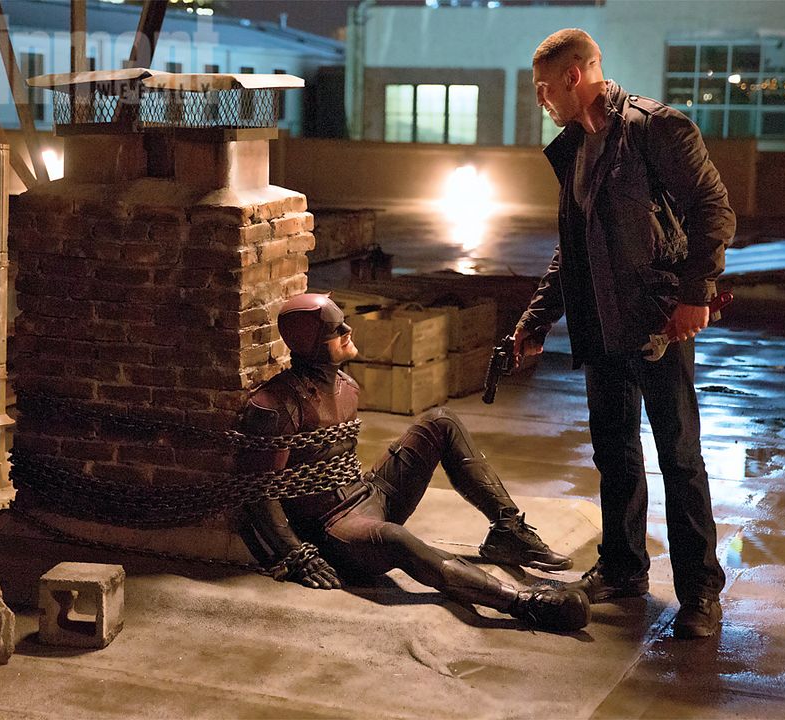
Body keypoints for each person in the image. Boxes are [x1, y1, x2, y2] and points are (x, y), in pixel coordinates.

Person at [515, 29, 735, 638]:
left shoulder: (655, 129)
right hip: (600, 324)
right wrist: (536, 319)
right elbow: (573, 249)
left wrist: (695, 296)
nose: (540, 100)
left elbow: (714, 209)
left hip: (657, 320)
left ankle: (700, 591)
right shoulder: (574, 148)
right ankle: (622, 568)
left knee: (679, 456)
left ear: (574, 76)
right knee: (614, 452)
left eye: (543, 88)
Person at [236, 293, 589, 633]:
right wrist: (296, 554)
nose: (347, 331)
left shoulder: (346, 387)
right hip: (334, 528)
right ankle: (522, 602)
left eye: (343, 323)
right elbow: (257, 492)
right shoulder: (277, 405)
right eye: (335, 329)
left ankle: (507, 530)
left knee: (441, 421)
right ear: (310, 343)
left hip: (367, 496)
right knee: (396, 538)